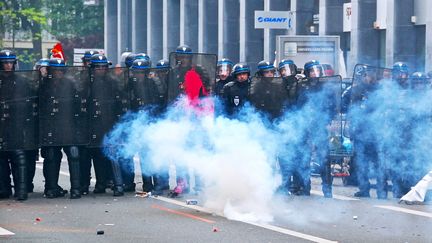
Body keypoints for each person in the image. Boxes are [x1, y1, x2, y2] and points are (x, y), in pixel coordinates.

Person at [40, 58, 83, 199]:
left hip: (67, 124)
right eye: (55, 70)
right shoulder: (44, 84)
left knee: (74, 152)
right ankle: (51, 188)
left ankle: (76, 188)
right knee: (51, 155)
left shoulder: (70, 83)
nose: (58, 73)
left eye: (60, 70)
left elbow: (78, 105)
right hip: (51, 125)